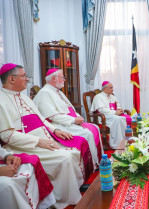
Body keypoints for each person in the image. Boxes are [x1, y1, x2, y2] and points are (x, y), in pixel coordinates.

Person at [0, 63, 87, 208]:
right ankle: (62, 200)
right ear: (11, 79)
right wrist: (39, 142)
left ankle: (72, 190)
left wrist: (55, 131)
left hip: (44, 138)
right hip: (25, 146)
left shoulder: (24, 97)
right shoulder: (1, 101)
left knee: (73, 153)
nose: (27, 79)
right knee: (65, 158)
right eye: (23, 76)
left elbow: (41, 118)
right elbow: (7, 135)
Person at [33, 68, 103, 167]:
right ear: (54, 78)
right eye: (62, 77)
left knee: (94, 127)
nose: (65, 80)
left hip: (67, 122)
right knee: (87, 133)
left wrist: (78, 117)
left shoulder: (58, 92)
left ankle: (98, 161)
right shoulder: (44, 93)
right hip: (57, 125)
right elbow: (53, 116)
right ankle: (90, 165)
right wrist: (74, 120)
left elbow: (71, 109)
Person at [91, 81, 130, 149]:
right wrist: (115, 112)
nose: (112, 89)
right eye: (111, 88)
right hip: (104, 117)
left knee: (123, 118)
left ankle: (125, 141)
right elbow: (101, 110)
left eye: (112, 88)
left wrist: (119, 110)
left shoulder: (112, 96)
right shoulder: (98, 97)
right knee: (118, 119)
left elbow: (118, 105)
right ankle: (117, 144)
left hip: (114, 116)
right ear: (105, 89)